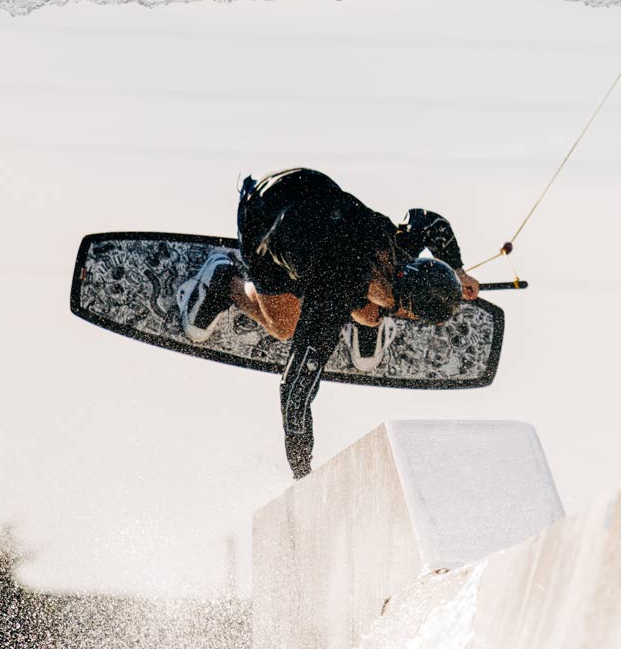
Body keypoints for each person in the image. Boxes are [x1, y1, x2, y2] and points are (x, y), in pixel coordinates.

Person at [178, 168, 481, 479]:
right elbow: (295, 389)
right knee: (283, 327)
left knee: (369, 310)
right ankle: (223, 280)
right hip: (263, 216)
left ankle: (364, 321)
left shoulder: (397, 246)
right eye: (403, 315)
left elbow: (429, 222)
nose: (400, 317)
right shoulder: (332, 293)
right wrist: (302, 473)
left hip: (307, 186)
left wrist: (458, 270)